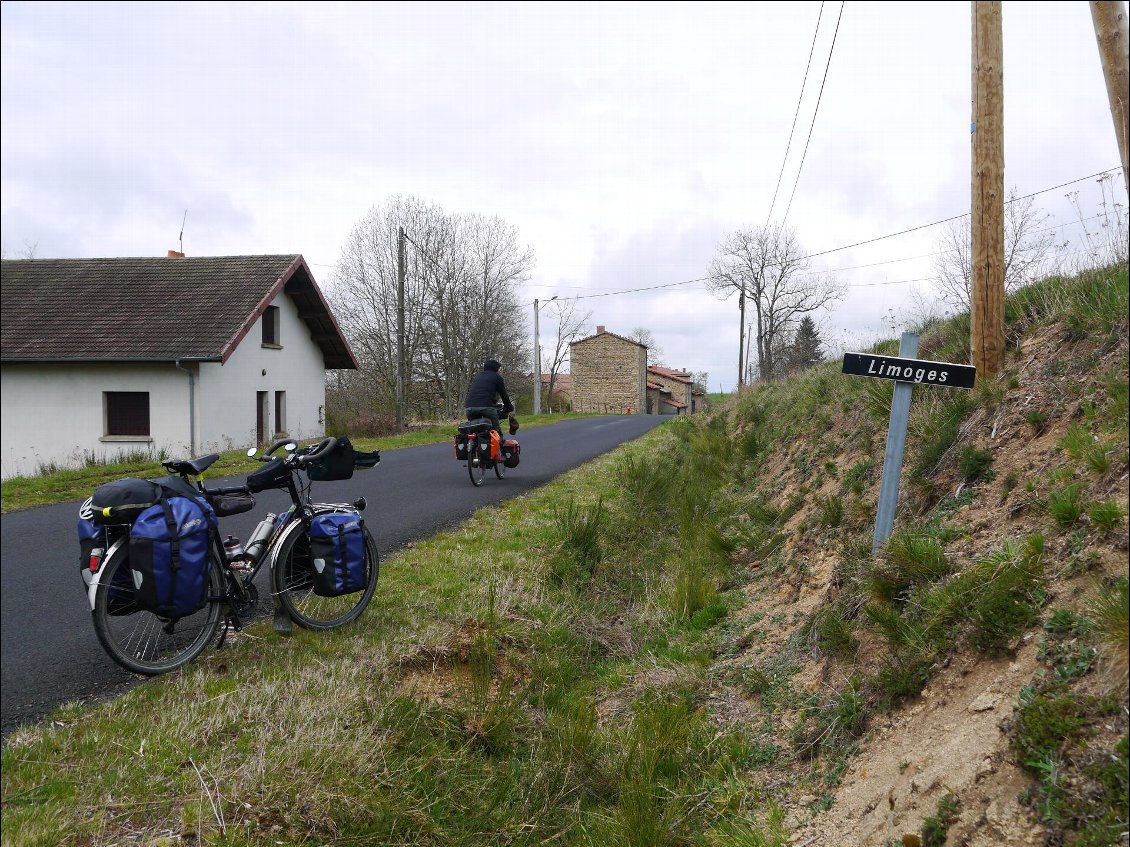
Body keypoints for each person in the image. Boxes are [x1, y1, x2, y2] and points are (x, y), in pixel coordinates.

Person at [465, 358, 514, 449]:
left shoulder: (478, 376)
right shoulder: (497, 377)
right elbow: (504, 395)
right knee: (495, 430)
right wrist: (509, 407)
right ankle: (500, 451)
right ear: (495, 369)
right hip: (486, 407)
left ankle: (474, 450)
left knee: (474, 429)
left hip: (469, 408)